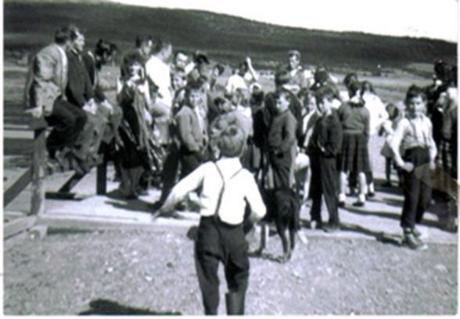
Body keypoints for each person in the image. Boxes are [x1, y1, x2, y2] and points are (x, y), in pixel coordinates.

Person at [158, 123, 266, 315]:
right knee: (238, 279)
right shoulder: (245, 176)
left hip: (208, 231)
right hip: (234, 233)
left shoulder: (207, 168)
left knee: (208, 279)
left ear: (218, 147)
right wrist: (246, 225)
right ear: (242, 150)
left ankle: (211, 313)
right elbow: (259, 210)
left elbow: (178, 190)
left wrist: (165, 208)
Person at [23, 26, 87, 171]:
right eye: (73, 40)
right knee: (68, 119)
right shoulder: (49, 53)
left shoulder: (61, 53)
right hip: (43, 100)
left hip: (54, 98)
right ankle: (50, 149)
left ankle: (65, 151)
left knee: (81, 116)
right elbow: (41, 81)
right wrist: (38, 106)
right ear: (69, 41)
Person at [390, 85, 437, 250]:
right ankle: (407, 231)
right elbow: (393, 144)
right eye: (411, 104)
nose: (414, 107)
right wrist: (402, 163)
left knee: (425, 198)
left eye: (418, 103)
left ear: (423, 104)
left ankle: (413, 223)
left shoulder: (427, 121)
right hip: (412, 160)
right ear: (406, 104)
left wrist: (432, 158)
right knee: (412, 197)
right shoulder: (404, 122)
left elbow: (431, 143)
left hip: (425, 160)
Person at [306, 85, 343, 232]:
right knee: (316, 190)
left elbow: (335, 147)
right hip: (317, 160)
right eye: (318, 102)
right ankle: (315, 217)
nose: (320, 105)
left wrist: (323, 149)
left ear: (330, 101)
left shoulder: (334, 121)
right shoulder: (321, 119)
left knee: (329, 191)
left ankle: (334, 222)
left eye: (322, 102)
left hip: (328, 161)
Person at [337, 80, 370, 207]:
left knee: (343, 168)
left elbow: (339, 123)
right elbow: (367, 130)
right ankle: (362, 195)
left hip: (345, 137)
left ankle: (341, 195)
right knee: (361, 169)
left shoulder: (344, 107)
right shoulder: (365, 110)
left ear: (350, 92)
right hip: (360, 138)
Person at [175, 84, 208, 178]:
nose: (194, 99)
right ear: (186, 97)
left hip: (197, 148)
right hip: (190, 151)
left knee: (186, 179)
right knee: (197, 178)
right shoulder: (184, 113)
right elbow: (186, 136)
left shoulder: (194, 111)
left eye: (197, 96)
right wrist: (196, 150)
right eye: (191, 96)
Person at [267, 89, 298, 189]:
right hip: (274, 154)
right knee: (275, 184)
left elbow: (290, 137)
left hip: (282, 156)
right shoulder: (278, 116)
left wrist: (279, 150)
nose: (277, 105)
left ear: (288, 102)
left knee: (283, 185)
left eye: (280, 102)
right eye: (276, 102)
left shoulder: (288, 117)